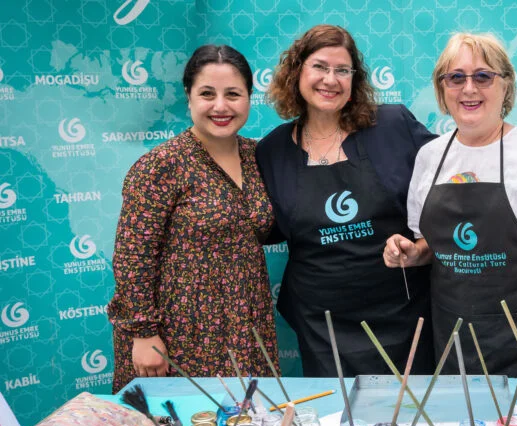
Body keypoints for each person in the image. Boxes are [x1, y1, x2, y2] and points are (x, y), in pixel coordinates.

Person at [383, 33, 517, 382]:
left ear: (506, 86)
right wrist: (414, 252)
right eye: (456, 77)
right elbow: (434, 243)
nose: (469, 88)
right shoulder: (430, 158)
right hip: (454, 341)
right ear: (442, 89)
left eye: (483, 76)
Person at [256, 25, 437, 377]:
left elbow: (447, 185)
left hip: (403, 316)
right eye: (319, 67)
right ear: (297, 72)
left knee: (412, 409)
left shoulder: (392, 125)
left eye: (342, 70)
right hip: (323, 326)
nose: (331, 79)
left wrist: (423, 247)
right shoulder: (272, 150)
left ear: (355, 79)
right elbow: (265, 225)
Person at [108, 45, 280, 391]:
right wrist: (143, 333)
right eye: (207, 94)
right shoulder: (161, 165)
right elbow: (132, 257)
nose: (221, 106)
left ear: (249, 97)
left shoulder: (259, 156)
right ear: (189, 97)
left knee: (249, 416)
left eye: (233, 94)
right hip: (180, 333)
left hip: (247, 326)